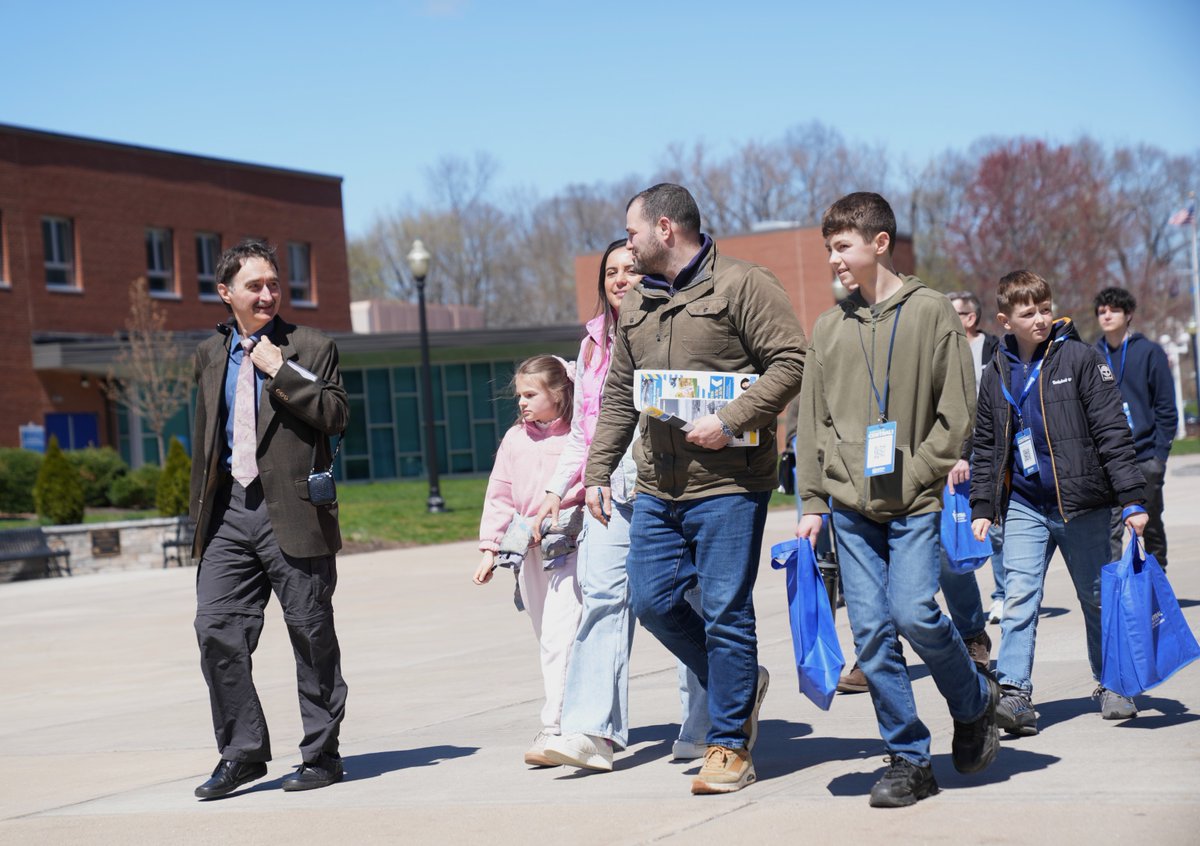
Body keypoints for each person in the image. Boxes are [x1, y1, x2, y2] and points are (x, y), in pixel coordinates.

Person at [585, 183, 806, 795]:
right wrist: (598, 471)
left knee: (726, 609)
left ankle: (730, 744)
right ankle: (740, 682)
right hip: (659, 482)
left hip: (730, 484)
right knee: (653, 599)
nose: (626, 247)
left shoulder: (743, 284)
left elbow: (791, 362)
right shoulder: (637, 304)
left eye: (632, 234)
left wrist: (732, 419)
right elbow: (618, 396)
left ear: (664, 228)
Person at [795, 192, 1000, 809]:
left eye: (841, 246)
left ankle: (973, 701)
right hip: (850, 509)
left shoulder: (932, 312)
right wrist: (814, 497)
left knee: (914, 612)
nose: (833, 259)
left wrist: (919, 474)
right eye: (828, 247)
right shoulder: (830, 328)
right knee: (872, 634)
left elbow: (957, 410)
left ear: (878, 244)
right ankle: (909, 757)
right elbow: (813, 420)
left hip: (913, 502)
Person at [534, 241, 708, 773]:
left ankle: (705, 723)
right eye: (610, 271)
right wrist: (558, 489)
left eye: (630, 268)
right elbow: (586, 429)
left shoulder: (670, 324)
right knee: (603, 598)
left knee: (689, 601)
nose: (619, 278)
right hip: (608, 488)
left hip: (673, 483)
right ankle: (591, 731)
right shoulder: (590, 347)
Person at [189, 239, 349, 799]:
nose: (267, 294)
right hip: (229, 513)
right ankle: (242, 754)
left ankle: (323, 755)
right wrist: (201, 521)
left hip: (293, 511)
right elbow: (206, 443)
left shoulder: (311, 345)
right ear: (225, 292)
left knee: (310, 632)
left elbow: (334, 415)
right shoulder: (210, 354)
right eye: (254, 285)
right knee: (216, 628)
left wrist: (282, 372)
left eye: (273, 284)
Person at [970, 271, 1148, 737]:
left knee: (1095, 597)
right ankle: (1014, 693)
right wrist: (983, 507)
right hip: (1027, 504)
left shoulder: (1080, 358)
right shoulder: (996, 372)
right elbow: (987, 444)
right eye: (1029, 314)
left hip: (1082, 503)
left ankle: (1114, 683)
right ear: (1006, 320)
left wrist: (1131, 498)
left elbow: (1113, 431)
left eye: (1045, 309)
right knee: (1020, 596)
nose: (1041, 319)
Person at [473, 355, 584, 768]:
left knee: (561, 635)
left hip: (569, 545)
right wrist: (490, 548)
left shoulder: (577, 438)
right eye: (519, 394)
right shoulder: (515, 439)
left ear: (559, 393)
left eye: (530, 394)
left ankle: (554, 726)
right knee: (546, 636)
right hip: (527, 551)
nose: (521, 402)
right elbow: (499, 493)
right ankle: (573, 714)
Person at [1093, 286, 1177, 570]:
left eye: (1113, 310)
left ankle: (1156, 586)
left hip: (1144, 457)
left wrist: (1159, 458)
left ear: (1128, 314)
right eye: (1102, 311)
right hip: (1107, 460)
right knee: (1110, 531)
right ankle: (1117, 596)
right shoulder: (1092, 355)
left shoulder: (1149, 352)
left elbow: (1166, 408)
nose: (1106, 316)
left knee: (1148, 525)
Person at [948, 291, 1007, 625]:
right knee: (962, 527)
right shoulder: (940, 351)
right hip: (958, 457)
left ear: (970, 318)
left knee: (995, 527)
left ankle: (1002, 596)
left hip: (991, 451)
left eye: (952, 314)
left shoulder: (993, 350)